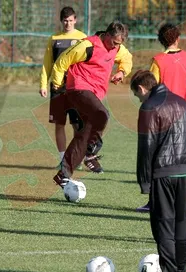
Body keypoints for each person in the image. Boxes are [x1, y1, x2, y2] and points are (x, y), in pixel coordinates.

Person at [135, 23, 186, 215]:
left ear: (161, 40)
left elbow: (151, 89)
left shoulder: (158, 61)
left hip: (165, 114)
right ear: (177, 39)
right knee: (181, 156)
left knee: (161, 154)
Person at [51, 21, 133, 186]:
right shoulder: (88, 45)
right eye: (114, 43)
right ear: (108, 35)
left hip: (95, 94)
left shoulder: (117, 47)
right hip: (78, 89)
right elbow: (63, 61)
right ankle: (90, 151)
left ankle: (63, 173)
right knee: (101, 115)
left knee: (86, 131)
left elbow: (127, 58)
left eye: (119, 44)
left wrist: (122, 72)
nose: (116, 47)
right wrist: (57, 83)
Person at [132, 70, 186, 272]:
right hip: (183, 173)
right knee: (180, 226)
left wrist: (145, 182)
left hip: (162, 174)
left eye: (136, 95)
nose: (138, 99)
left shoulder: (149, 106)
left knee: (164, 226)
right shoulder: (185, 104)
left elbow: (146, 147)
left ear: (141, 89)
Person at [39, 7, 87, 167]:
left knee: (77, 124)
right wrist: (43, 84)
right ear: (61, 21)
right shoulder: (54, 39)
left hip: (76, 87)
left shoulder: (82, 38)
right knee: (59, 124)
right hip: (57, 88)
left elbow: (87, 64)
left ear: (75, 20)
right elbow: (47, 64)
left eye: (71, 20)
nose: (68, 23)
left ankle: (76, 156)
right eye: (65, 20)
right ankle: (62, 158)